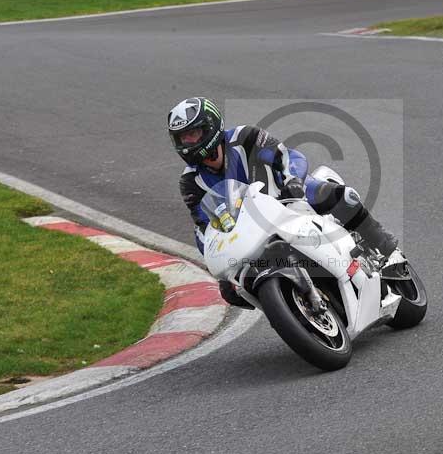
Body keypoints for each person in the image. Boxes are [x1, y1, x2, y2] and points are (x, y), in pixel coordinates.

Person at [168, 97, 399, 308]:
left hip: (288, 196)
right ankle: (287, 304)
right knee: (230, 291)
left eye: (193, 134)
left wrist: (294, 182)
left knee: (340, 196)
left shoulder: (245, 137)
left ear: (210, 127)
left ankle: (383, 243)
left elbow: (286, 157)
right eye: (182, 138)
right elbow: (203, 225)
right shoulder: (190, 182)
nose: (188, 142)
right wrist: (213, 252)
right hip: (249, 230)